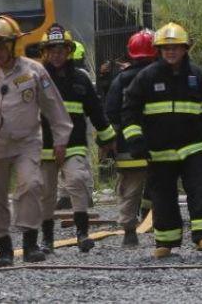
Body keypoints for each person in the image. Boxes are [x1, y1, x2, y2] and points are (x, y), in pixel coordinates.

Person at [0, 15, 72, 266]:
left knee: (31, 185)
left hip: (26, 143)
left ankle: (30, 244)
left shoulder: (34, 71)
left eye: (0, 46)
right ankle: (4, 248)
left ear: (13, 45)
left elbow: (54, 107)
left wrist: (61, 140)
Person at [121, 22, 202, 257]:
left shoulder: (199, 76)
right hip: (159, 152)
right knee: (162, 196)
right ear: (159, 50)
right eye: (166, 48)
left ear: (185, 48)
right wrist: (135, 139)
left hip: (192, 148)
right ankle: (166, 242)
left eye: (175, 47)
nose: (171, 52)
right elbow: (129, 110)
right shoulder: (146, 78)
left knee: (200, 189)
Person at [37, 24, 116, 253]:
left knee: (77, 181)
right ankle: (47, 240)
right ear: (45, 52)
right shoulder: (37, 79)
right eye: (52, 50)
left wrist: (108, 138)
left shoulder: (81, 79)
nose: (56, 54)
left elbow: (96, 110)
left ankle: (82, 234)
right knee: (46, 193)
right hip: (45, 147)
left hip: (74, 144)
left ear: (68, 51)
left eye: (61, 50)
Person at [105, 29, 157, 247]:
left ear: (131, 53)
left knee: (130, 188)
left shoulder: (121, 79)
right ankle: (155, 222)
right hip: (158, 144)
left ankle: (129, 231)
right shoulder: (160, 76)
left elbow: (111, 112)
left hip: (127, 145)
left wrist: (109, 143)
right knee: (159, 184)